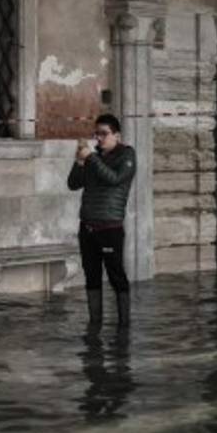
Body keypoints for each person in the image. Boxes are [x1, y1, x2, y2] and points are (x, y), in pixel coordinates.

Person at [67, 113, 136, 328]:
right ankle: (94, 324)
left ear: (117, 135)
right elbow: (73, 184)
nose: (99, 138)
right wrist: (79, 162)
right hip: (87, 227)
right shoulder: (93, 157)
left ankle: (124, 325)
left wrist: (91, 158)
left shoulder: (127, 155)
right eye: (96, 134)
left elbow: (114, 179)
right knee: (91, 276)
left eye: (104, 134)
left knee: (116, 276)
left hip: (110, 227)